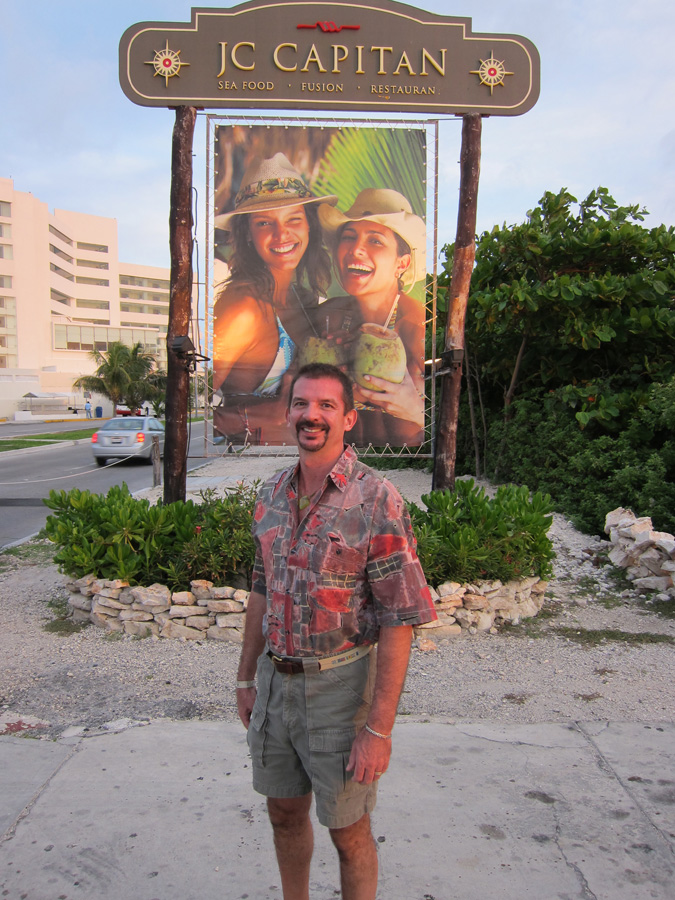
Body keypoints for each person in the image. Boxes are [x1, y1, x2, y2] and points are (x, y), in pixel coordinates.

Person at [236, 362, 437, 900]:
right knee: (282, 812)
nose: (311, 415)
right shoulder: (271, 493)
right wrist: (244, 678)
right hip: (275, 683)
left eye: (326, 405)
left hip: (341, 690)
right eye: (302, 403)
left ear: (348, 418)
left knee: (348, 832)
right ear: (289, 413)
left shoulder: (378, 499)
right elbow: (261, 588)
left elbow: (401, 618)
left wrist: (378, 730)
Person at [212, 152, 337, 445]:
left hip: (301, 467)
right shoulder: (244, 307)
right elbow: (190, 405)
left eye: (293, 219)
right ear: (247, 234)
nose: (282, 234)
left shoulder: (301, 299)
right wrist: (261, 414)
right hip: (249, 472)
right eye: (264, 223)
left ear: (309, 227)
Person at [313, 188, 427, 447]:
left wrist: (417, 410)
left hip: (405, 474)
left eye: (375, 241)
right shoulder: (328, 317)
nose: (356, 250)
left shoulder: (417, 327)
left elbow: (461, 418)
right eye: (349, 237)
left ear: (402, 264)